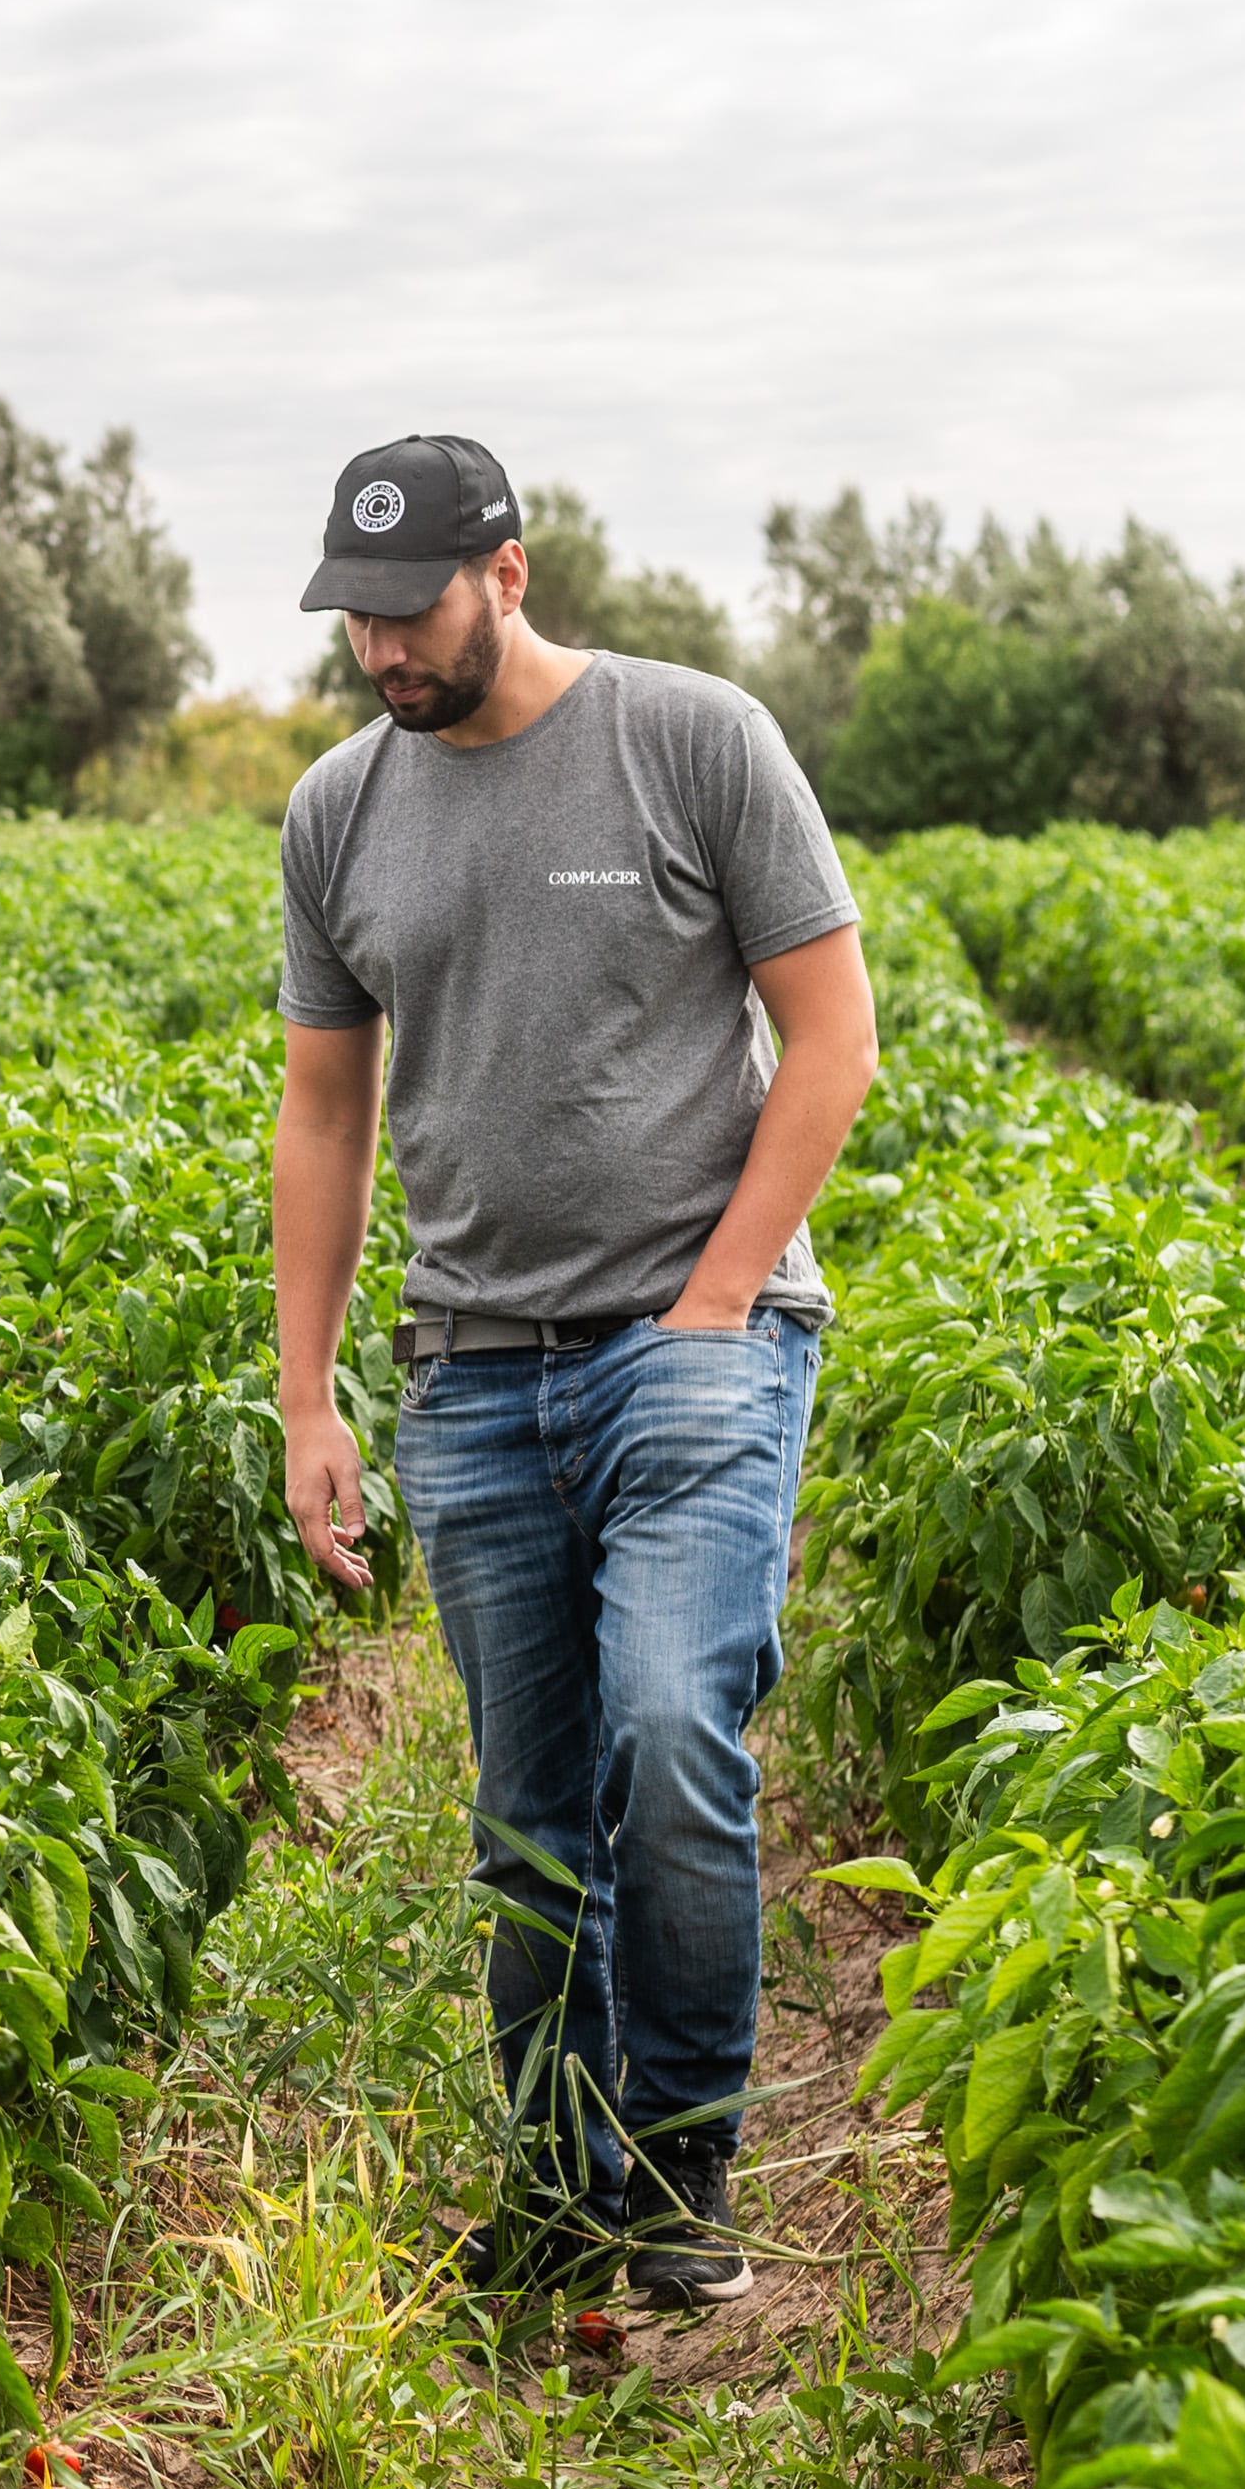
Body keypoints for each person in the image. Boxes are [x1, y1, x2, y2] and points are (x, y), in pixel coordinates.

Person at [266, 435, 879, 2313]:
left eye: (408, 610)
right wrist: (307, 1393)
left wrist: (710, 1304)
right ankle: (560, 2176)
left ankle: (681, 2160)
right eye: (352, 620)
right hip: (467, 1369)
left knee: (668, 1733)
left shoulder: (690, 739)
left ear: (506, 575)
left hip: (690, 1344)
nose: (378, 650)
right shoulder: (335, 813)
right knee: (526, 1806)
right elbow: (321, 1106)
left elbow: (832, 1033)